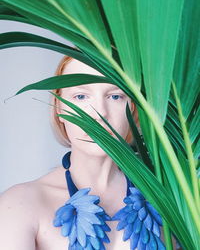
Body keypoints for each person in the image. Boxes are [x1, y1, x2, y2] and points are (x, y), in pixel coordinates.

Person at [0, 56, 173, 250]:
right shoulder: (18, 205)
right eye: (81, 96)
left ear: (132, 109)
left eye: (115, 96)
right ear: (59, 109)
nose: (99, 113)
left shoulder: (170, 199)